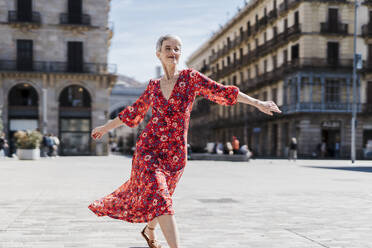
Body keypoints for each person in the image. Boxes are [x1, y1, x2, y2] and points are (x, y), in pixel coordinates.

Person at [88, 34, 281, 248]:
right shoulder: (153, 86)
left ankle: (149, 231)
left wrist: (257, 102)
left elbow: (223, 92)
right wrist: (106, 127)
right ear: (158, 54)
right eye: (168, 48)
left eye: (177, 49)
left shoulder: (191, 78)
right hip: (149, 150)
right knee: (160, 196)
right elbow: (133, 112)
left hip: (175, 155)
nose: (173, 52)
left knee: (160, 197)